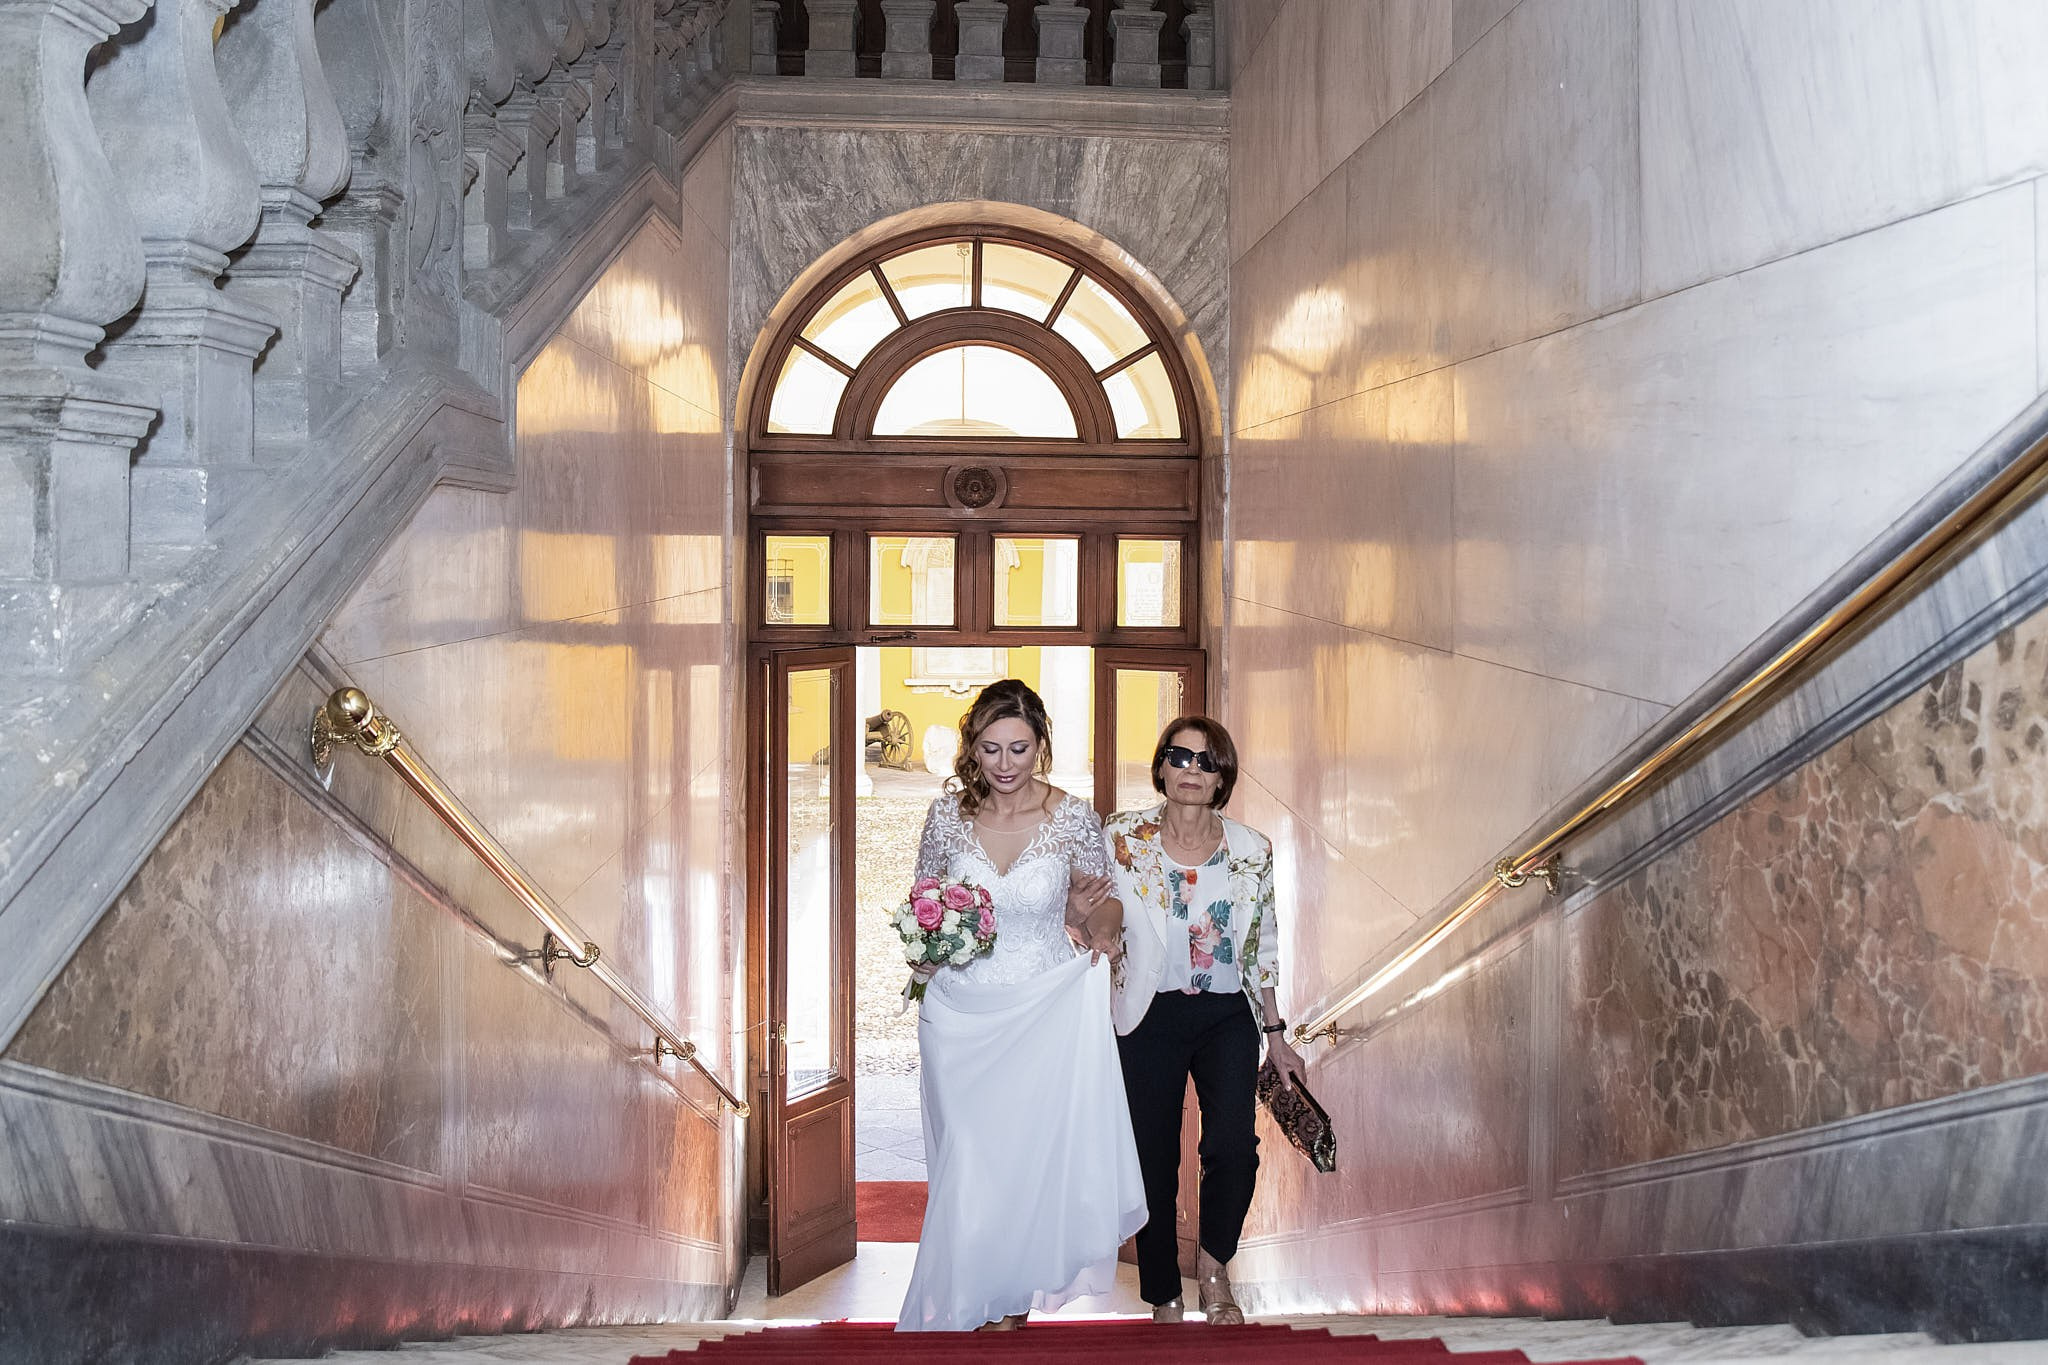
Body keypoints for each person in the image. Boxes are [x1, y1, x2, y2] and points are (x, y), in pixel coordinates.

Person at [895, 679, 1146, 1332]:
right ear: (972, 748)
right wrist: (925, 949)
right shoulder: (946, 816)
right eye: (990, 749)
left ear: (1040, 746)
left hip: (1042, 1008)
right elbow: (924, 899)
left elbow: (1108, 900)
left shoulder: (1073, 817)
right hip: (957, 1013)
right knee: (969, 1153)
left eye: (1019, 749)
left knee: (1021, 1156)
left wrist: (1103, 933)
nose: (1004, 764)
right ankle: (974, 1289)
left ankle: (1008, 1298)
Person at [1090, 716, 1309, 1324]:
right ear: (1161, 767)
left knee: (1234, 1150)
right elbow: (1094, 908)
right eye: (1180, 757)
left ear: (1222, 778)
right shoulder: (1122, 837)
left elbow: (1261, 945)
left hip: (1225, 1016)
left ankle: (1214, 1268)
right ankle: (1164, 1291)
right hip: (1148, 1013)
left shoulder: (1251, 849)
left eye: (1207, 761)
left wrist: (1277, 1035)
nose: (1192, 770)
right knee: (1151, 1157)